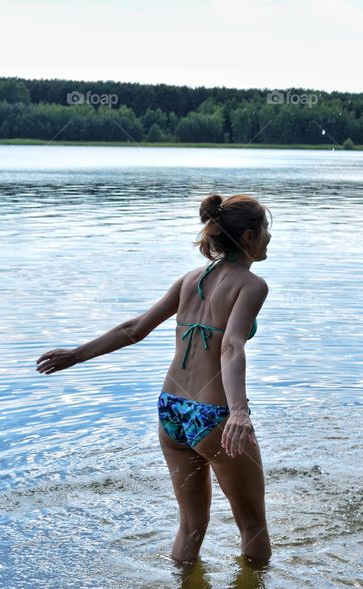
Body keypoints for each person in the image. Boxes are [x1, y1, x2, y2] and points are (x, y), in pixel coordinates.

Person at [35, 193, 273, 567]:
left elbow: (134, 330)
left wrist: (77, 354)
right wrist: (239, 413)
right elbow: (230, 346)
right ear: (247, 237)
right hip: (214, 416)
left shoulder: (190, 279)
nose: (269, 237)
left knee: (191, 525)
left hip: (171, 411)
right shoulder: (251, 285)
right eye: (265, 229)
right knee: (254, 528)